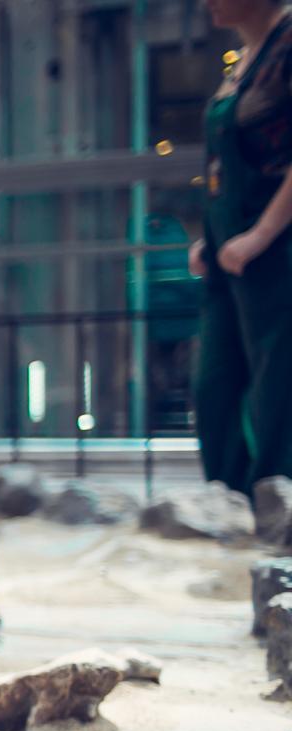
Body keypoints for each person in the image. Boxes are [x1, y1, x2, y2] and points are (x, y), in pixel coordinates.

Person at [190, 0, 292, 491]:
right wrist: (206, 238)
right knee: (213, 386)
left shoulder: (288, 43)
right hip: (227, 249)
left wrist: (262, 235)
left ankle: (278, 511)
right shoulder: (240, 59)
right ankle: (230, 506)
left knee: (279, 385)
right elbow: (219, 166)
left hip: (275, 245)